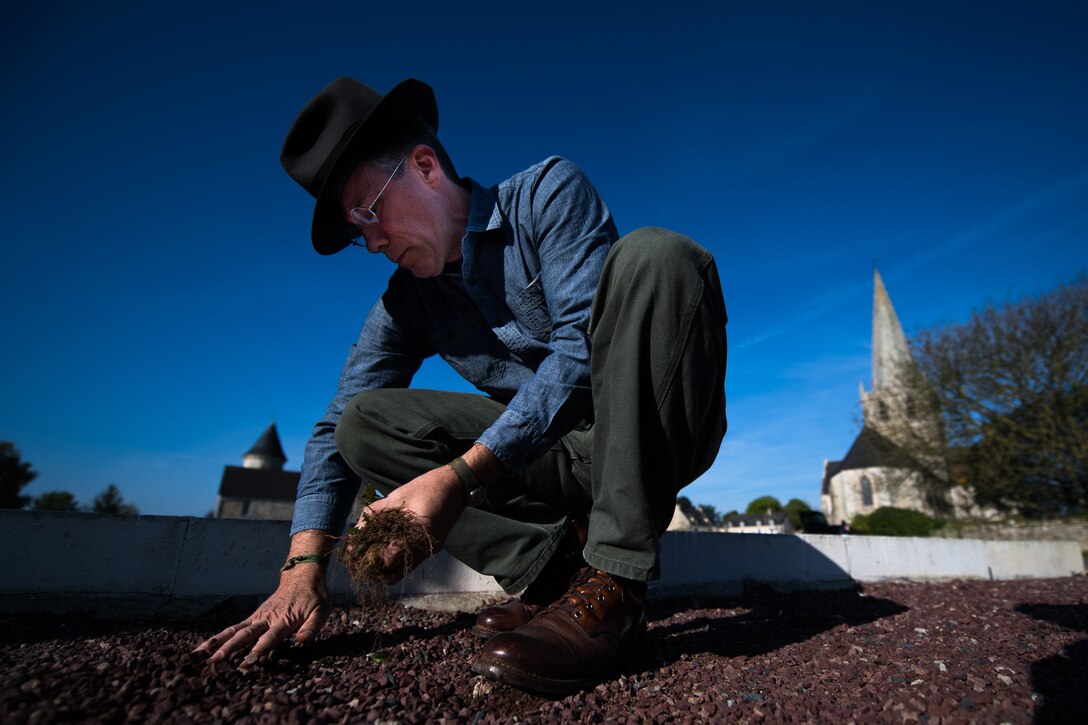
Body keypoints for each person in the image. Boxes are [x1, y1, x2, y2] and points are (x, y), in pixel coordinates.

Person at [194, 77, 728, 694]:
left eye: (368, 214)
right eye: (354, 234)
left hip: (648, 425)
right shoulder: (404, 305)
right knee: (362, 425)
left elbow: (580, 351)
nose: (371, 244)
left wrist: (460, 477)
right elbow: (332, 429)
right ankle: (556, 574)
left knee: (655, 255)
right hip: (556, 463)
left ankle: (614, 586)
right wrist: (303, 568)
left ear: (424, 167)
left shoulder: (547, 194)